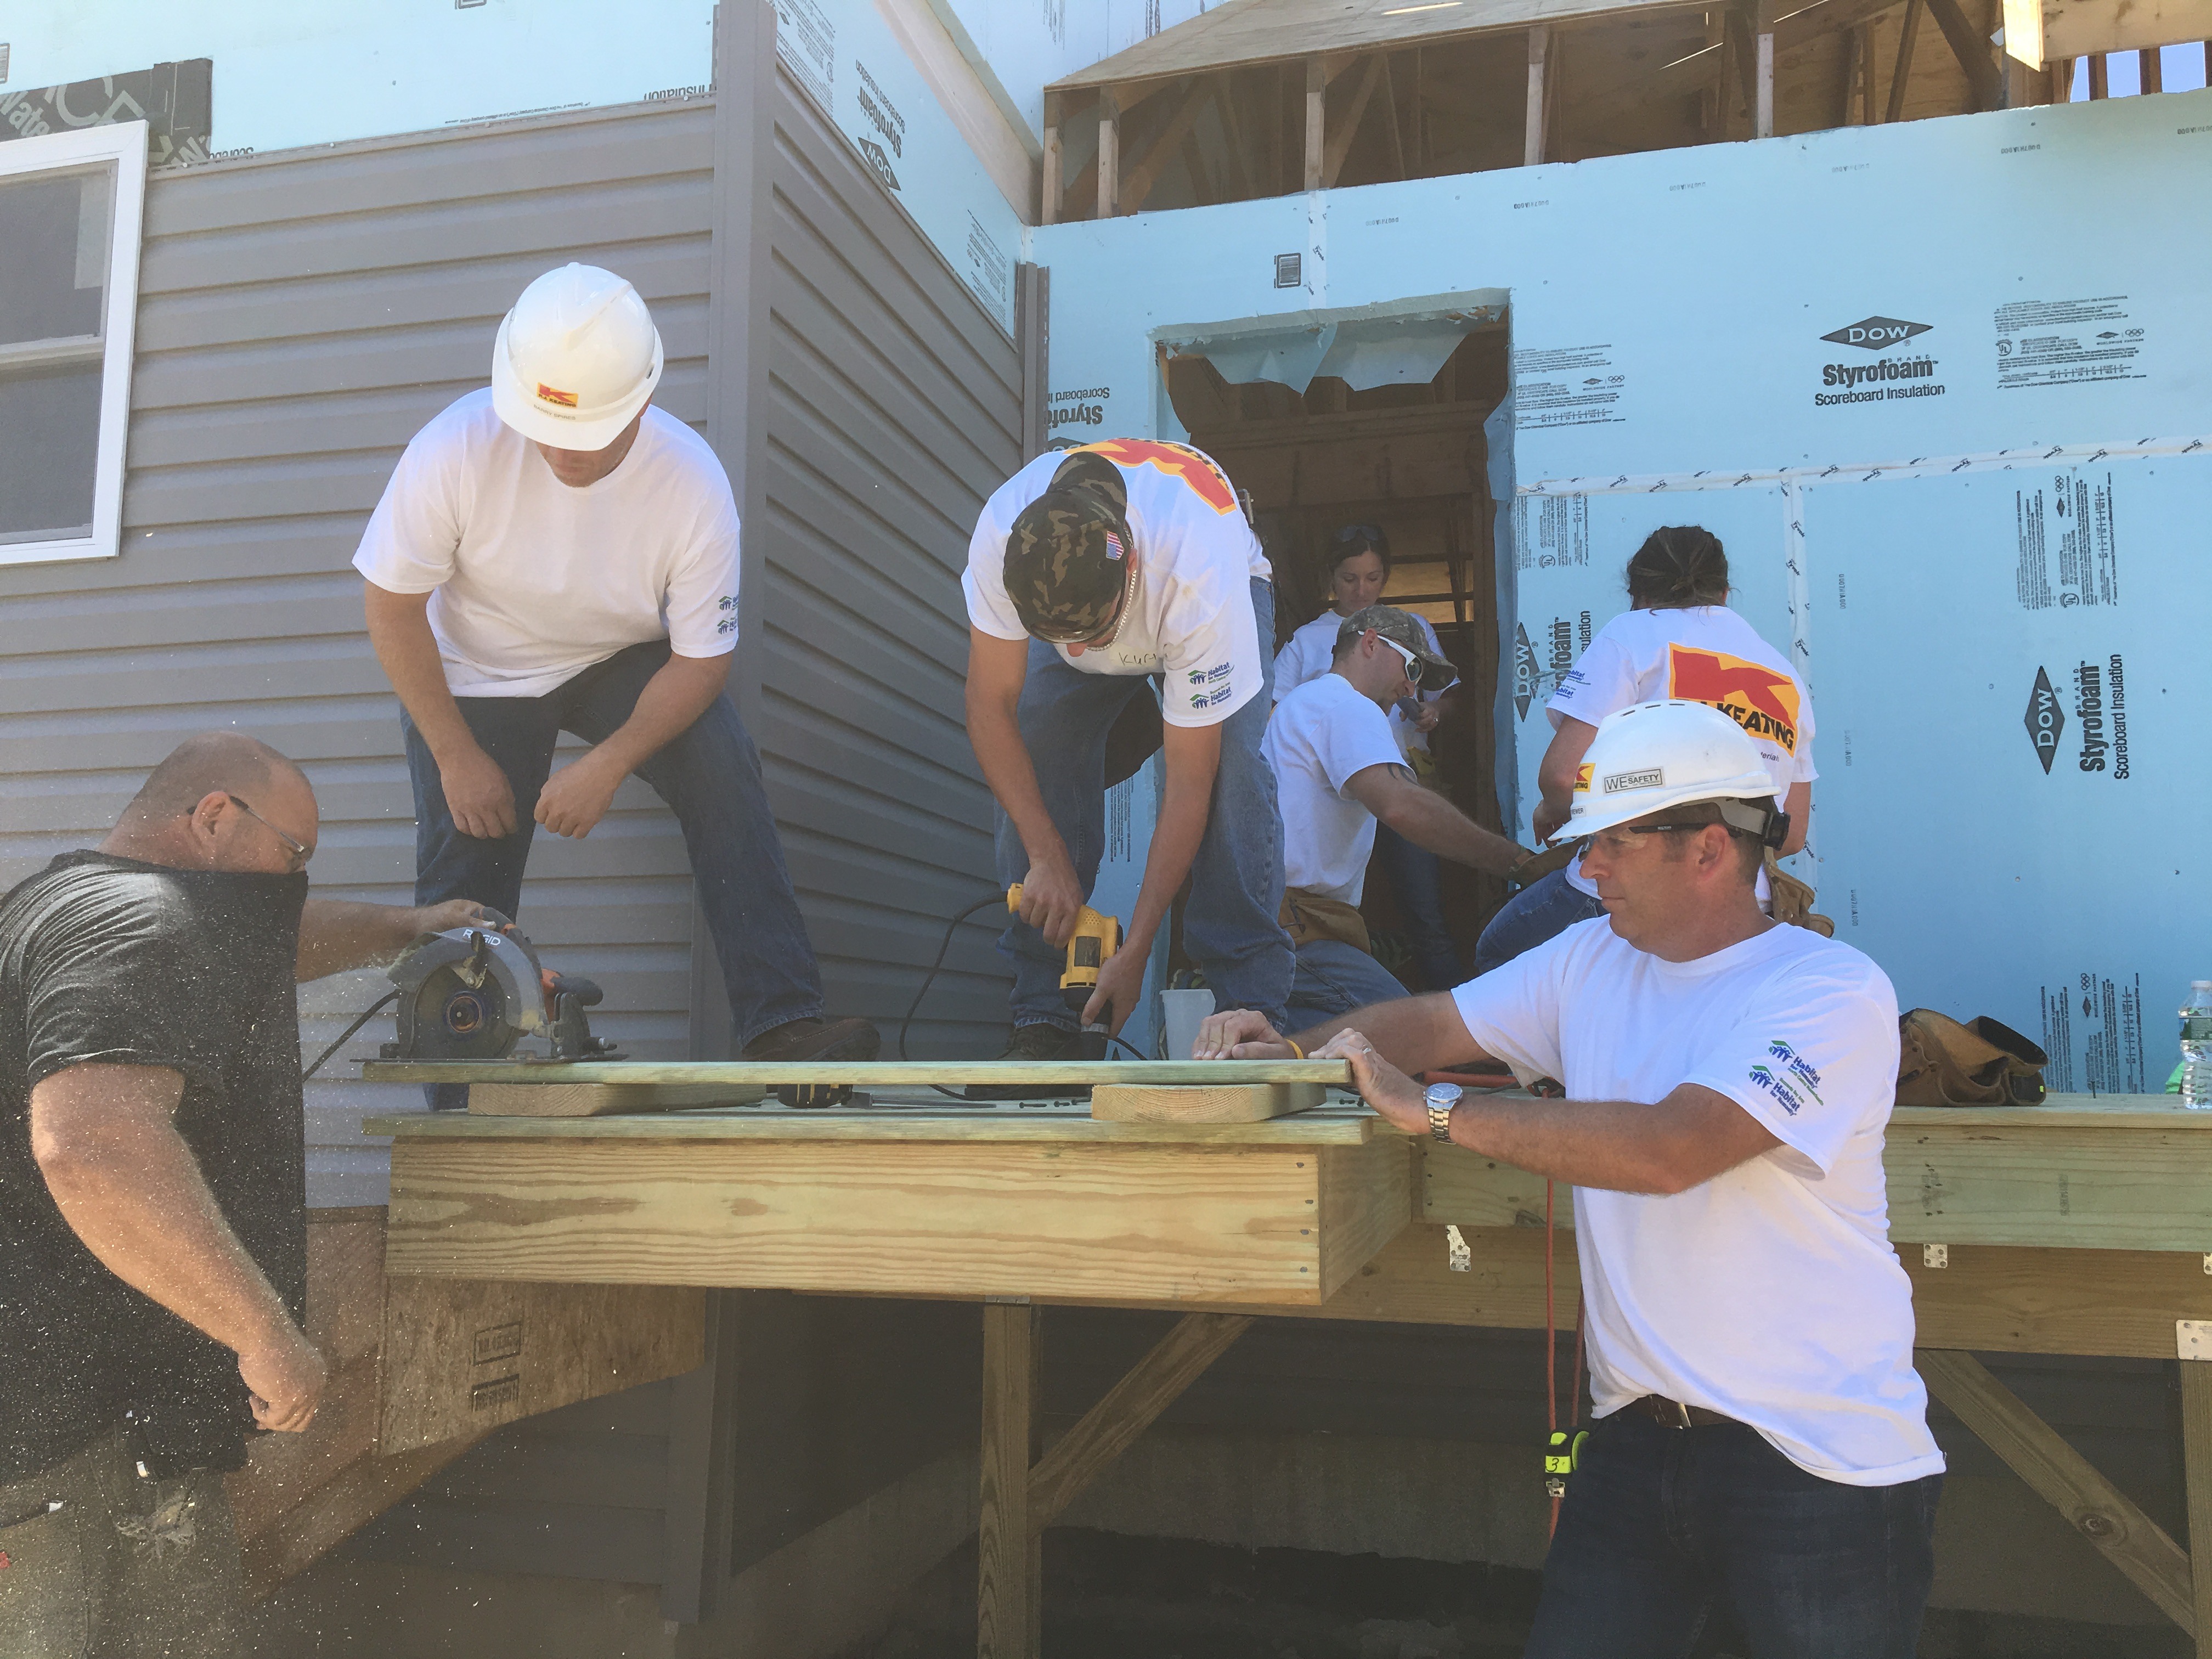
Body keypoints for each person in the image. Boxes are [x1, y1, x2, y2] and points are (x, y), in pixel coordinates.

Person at [1197, 700, 1942, 1659]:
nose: (1587, 870)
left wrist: (1435, 1110)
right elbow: (1433, 1022)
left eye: (1614, 843)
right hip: (1636, 1440)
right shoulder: (1592, 958)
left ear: (1708, 848)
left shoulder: (1827, 990)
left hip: (1819, 1463)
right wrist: (1294, 1053)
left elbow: (1672, 1150)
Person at [0, 733, 496, 1656]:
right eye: (292, 853)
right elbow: (92, 1147)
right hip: (60, 1444)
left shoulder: (74, 901)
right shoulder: (144, 927)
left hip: (106, 1420)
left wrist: (408, 927)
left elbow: (275, 941)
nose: (296, 882)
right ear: (215, 816)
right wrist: (262, 1333)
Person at [353, 263, 877, 1104]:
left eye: (587, 433)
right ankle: (460, 1105)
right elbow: (392, 607)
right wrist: (454, 753)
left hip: (614, 659)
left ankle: (782, 1025)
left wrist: (610, 763)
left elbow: (701, 659)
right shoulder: (455, 448)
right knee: (467, 881)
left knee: (720, 762)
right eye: (544, 428)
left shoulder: (691, 482)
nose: (563, 451)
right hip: (478, 672)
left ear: (640, 403)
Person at [964, 437, 1292, 1054]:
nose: (1078, 653)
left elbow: (1190, 784)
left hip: (1216, 581)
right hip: (1128, 589)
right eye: (1059, 638)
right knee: (1039, 732)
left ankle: (1248, 1006)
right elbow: (990, 707)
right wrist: (1045, 856)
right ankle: (1044, 1011)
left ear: (1131, 566)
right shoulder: (1007, 537)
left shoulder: (1198, 572)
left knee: (1231, 775)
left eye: (1092, 634)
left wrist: (1136, 950)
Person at [1474, 525, 1814, 977]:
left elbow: (1562, 778)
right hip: (1743, 910)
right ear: (1724, 594)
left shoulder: (1633, 633)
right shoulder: (1784, 674)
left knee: (1500, 954)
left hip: (1629, 894)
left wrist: (1554, 809)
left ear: (1639, 595)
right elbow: (1791, 834)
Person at [1265, 606, 1534, 1031]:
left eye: (1420, 680)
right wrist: (1519, 863)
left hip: (1290, 923)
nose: (1411, 688)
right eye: (1412, 668)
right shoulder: (1345, 705)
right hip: (1297, 928)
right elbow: (1402, 806)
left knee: (1311, 1054)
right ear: (1371, 643)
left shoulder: (1306, 703)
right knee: (1419, 1035)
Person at [1274, 524, 1464, 989]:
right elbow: (1274, 713)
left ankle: (1446, 1016)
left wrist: (1435, 712)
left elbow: (1450, 695)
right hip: (1331, 801)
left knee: (1425, 913)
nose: (1362, 590)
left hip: (1400, 784)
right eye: (1349, 578)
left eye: (1373, 578)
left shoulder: (1410, 629)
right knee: (1339, 908)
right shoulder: (1307, 640)